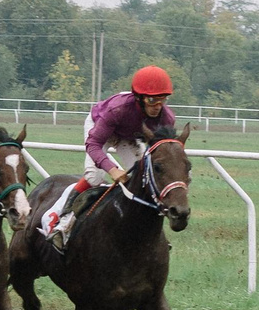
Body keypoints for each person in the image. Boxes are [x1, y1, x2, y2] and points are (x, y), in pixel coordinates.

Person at [48, 66, 178, 247]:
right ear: (139, 98)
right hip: (100, 128)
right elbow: (93, 144)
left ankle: (153, 232)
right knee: (95, 177)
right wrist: (112, 169)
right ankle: (63, 222)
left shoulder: (167, 118)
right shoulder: (118, 109)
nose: (157, 106)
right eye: (151, 100)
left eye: (162, 100)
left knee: (147, 178)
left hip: (129, 136)